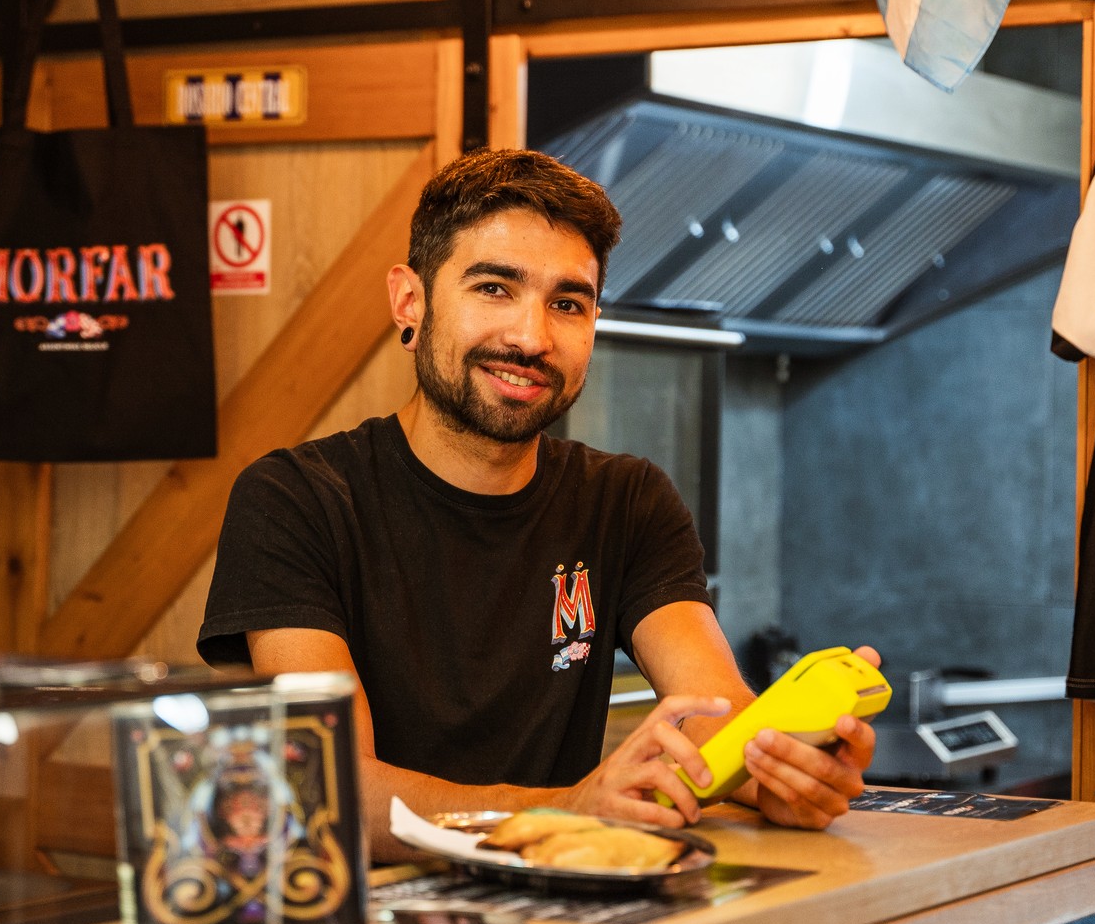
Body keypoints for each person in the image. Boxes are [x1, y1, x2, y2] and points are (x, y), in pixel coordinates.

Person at [200, 148, 876, 856]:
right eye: (494, 288)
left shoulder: (627, 500)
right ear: (410, 300)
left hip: (567, 921)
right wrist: (568, 806)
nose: (531, 337)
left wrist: (782, 768)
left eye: (567, 302)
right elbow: (330, 786)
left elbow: (711, 716)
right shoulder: (297, 499)